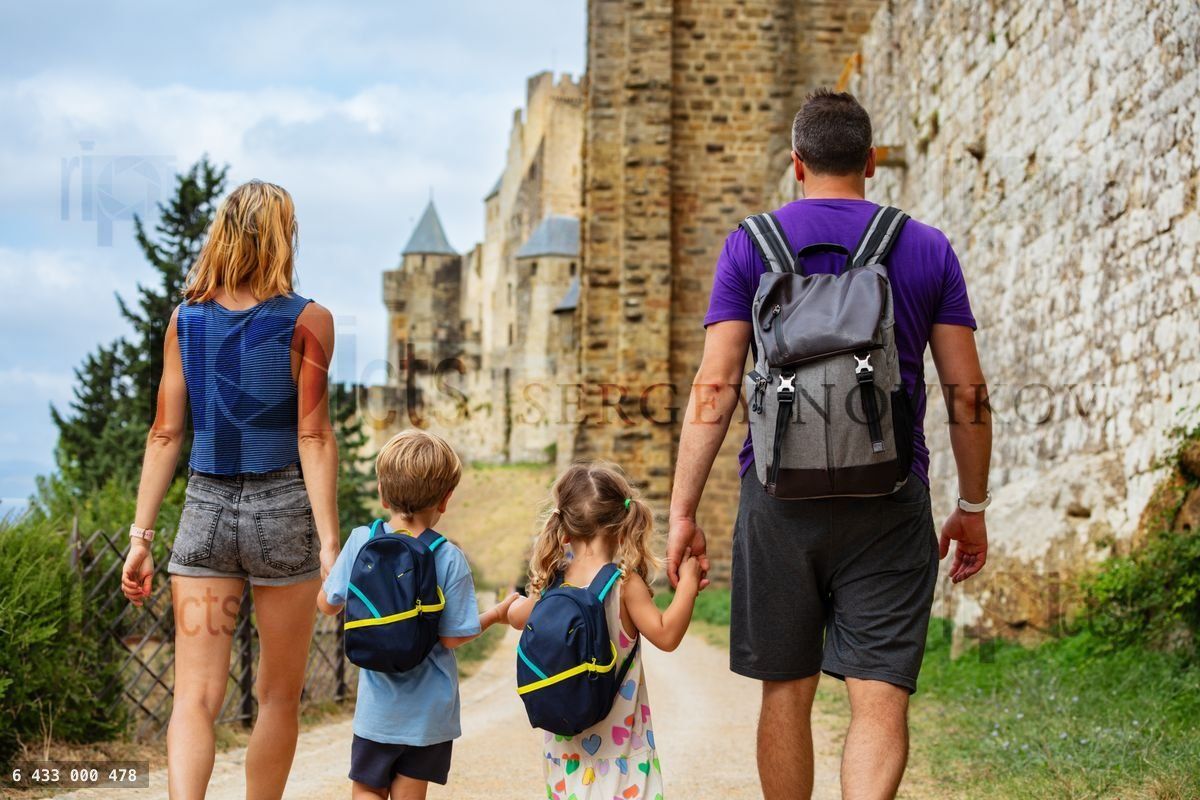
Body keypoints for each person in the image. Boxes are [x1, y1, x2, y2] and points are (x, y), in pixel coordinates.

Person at [666, 89, 993, 800]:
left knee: (785, 691)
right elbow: (968, 395)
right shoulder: (926, 247)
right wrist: (971, 505)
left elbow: (714, 389)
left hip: (779, 500)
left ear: (797, 164)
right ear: (871, 163)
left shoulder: (749, 247)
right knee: (879, 700)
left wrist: (681, 511)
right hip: (891, 495)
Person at [120, 180, 339, 799]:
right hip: (281, 516)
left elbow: (165, 434)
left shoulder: (185, 319)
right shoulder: (309, 321)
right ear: (282, 236)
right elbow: (315, 436)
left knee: (193, 696)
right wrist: (327, 543)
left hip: (205, 514)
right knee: (277, 694)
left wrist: (141, 537)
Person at [318, 429, 517, 800]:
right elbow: (452, 636)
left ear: (381, 492)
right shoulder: (448, 556)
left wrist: (327, 574)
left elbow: (328, 603)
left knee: (366, 789)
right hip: (428, 716)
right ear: (445, 500)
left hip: (376, 713)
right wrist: (496, 615)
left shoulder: (362, 541)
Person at [507, 462, 703, 800]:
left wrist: (505, 607)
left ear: (564, 529)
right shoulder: (624, 584)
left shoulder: (553, 581)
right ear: (622, 525)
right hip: (622, 754)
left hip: (564, 754)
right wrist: (688, 581)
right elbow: (667, 635)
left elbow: (517, 617)